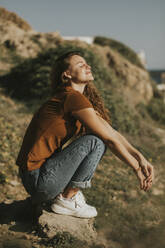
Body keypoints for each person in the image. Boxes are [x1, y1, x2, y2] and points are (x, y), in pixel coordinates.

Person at [16, 50, 154, 219]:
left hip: (37, 177)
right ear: (66, 74)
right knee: (96, 142)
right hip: (38, 180)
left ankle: (66, 196)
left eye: (86, 63)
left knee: (99, 138)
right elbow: (109, 140)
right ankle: (67, 199)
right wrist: (136, 168)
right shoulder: (71, 98)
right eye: (80, 64)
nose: (87, 66)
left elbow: (112, 132)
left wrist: (140, 158)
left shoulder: (73, 98)